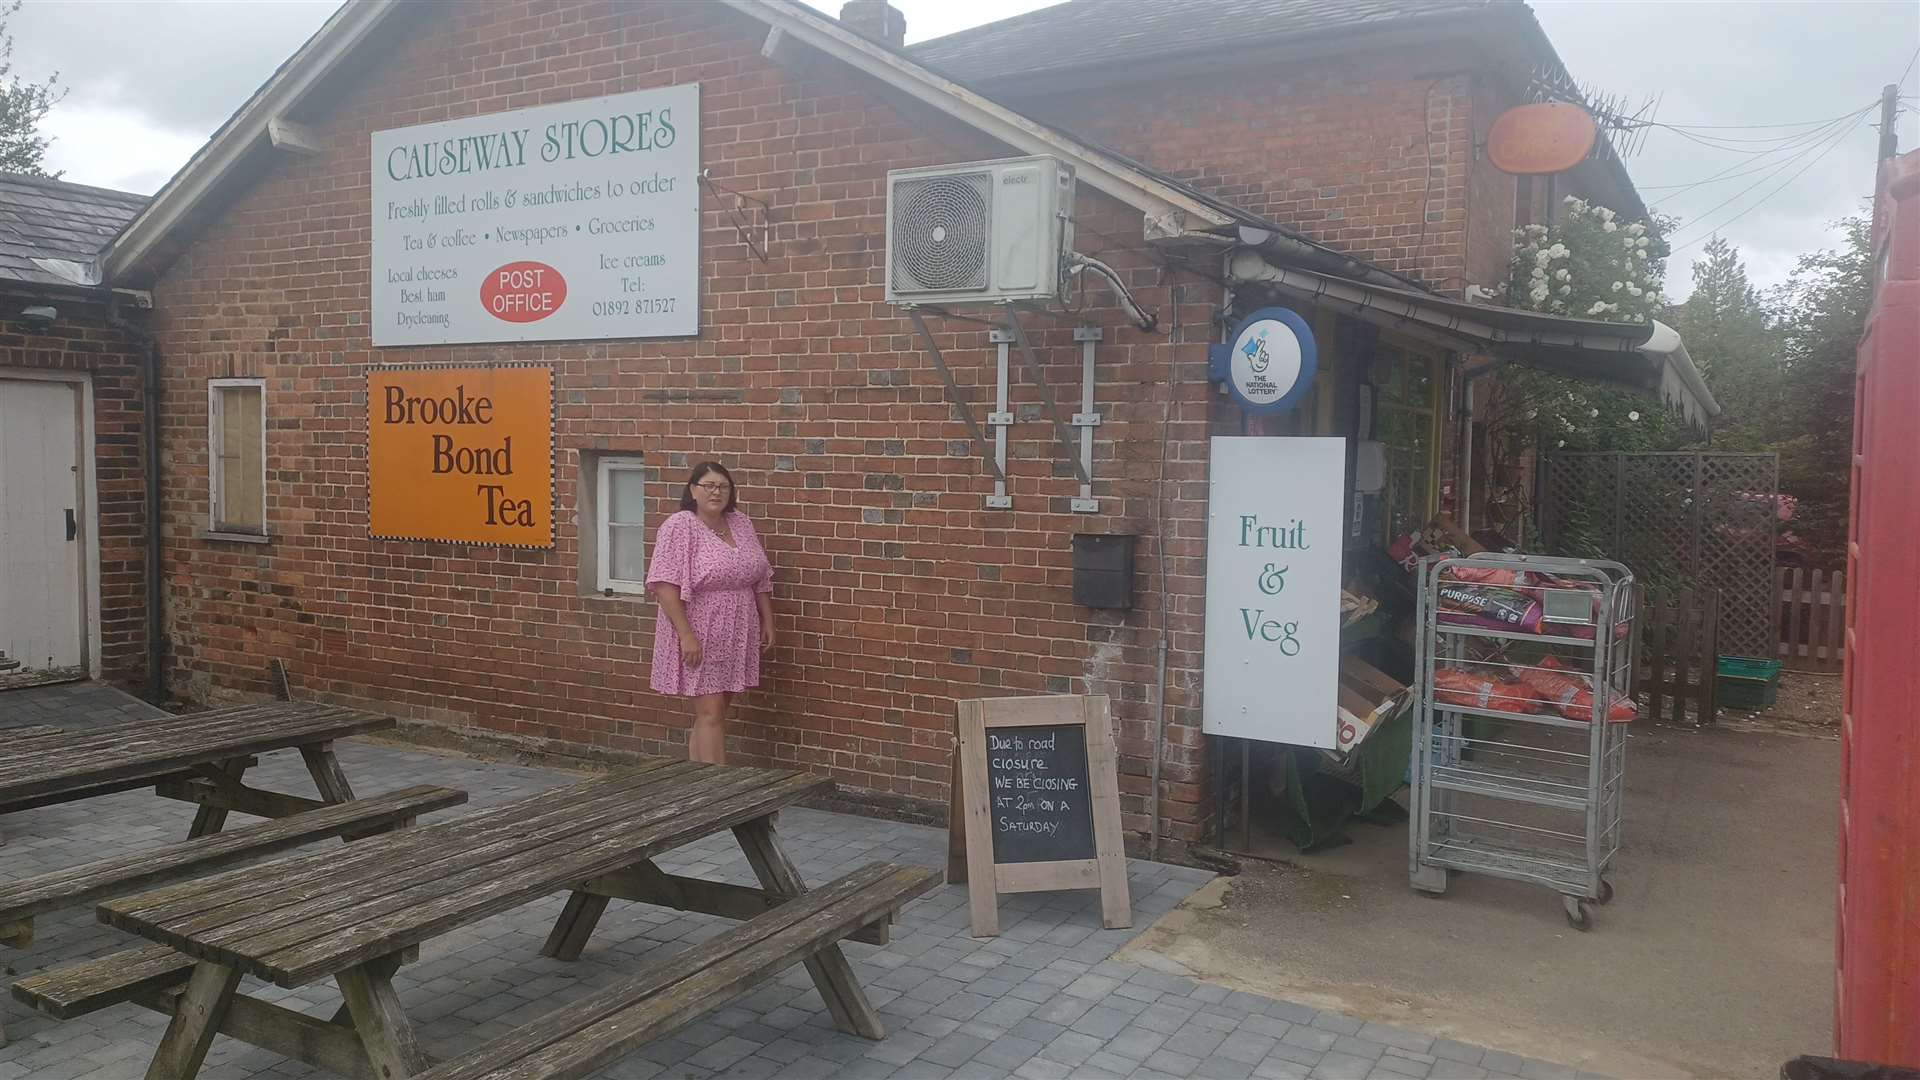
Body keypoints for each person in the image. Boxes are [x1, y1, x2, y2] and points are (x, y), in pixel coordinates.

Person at [646, 462, 775, 764]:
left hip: (737, 629)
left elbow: (760, 576)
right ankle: (717, 788)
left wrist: (768, 619)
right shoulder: (680, 525)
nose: (717, 492)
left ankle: (698, 781)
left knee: (715, 713)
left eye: (723, 486)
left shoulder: (740, 522)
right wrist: (686, 636)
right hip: (699, 628)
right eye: (709, 485)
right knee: (711, 712)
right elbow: (664, 585)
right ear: (693, 490)